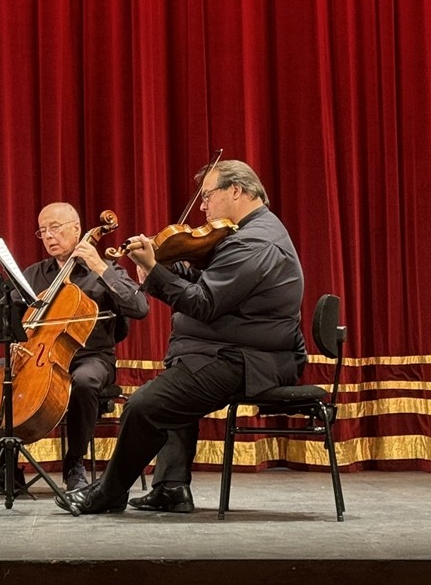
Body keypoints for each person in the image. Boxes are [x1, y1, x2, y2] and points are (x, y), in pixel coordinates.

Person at [58, 159, 307, 515]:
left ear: (235, 191)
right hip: (231, 352)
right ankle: (170, 487)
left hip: (250, 360)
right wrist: (155, 264)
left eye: (208, 196)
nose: (203, 206)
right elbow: (204, 277)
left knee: (144, 406)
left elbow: (203, 302)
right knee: (179, 374)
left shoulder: (255, 242)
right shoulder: (243, 232)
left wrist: (156, 270)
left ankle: (110, 492)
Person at [0, 202, 149, 493]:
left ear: (77, 229)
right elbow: (11, 317)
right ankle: (4, 467)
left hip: (91, 357)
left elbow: (139, 307)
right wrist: (12, 319)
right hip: (36, 355)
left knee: (84, 381)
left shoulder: (104, 269)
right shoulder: (35, 273)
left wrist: (100, 267)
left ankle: (74, 464)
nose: (49, 236)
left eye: (55, 227)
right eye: (43, 231)